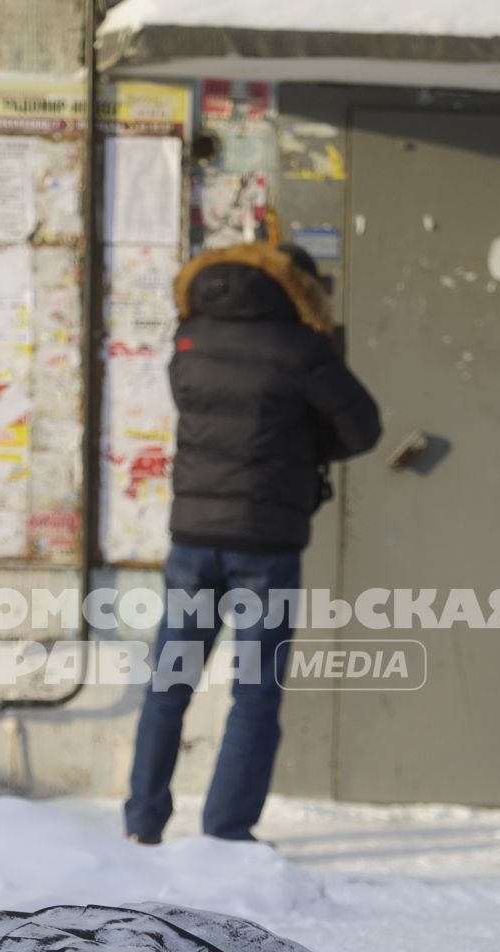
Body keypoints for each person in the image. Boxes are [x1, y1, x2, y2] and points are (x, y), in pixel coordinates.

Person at [124, 241, 381, 844]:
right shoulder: (301, 348)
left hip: (192, 537)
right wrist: (306, 447)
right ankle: (226, 831)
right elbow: (363, 427)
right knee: (255, 689)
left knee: (170, 680)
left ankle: (143, 823)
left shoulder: (191, 336)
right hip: (265, 542)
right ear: (301, 289)